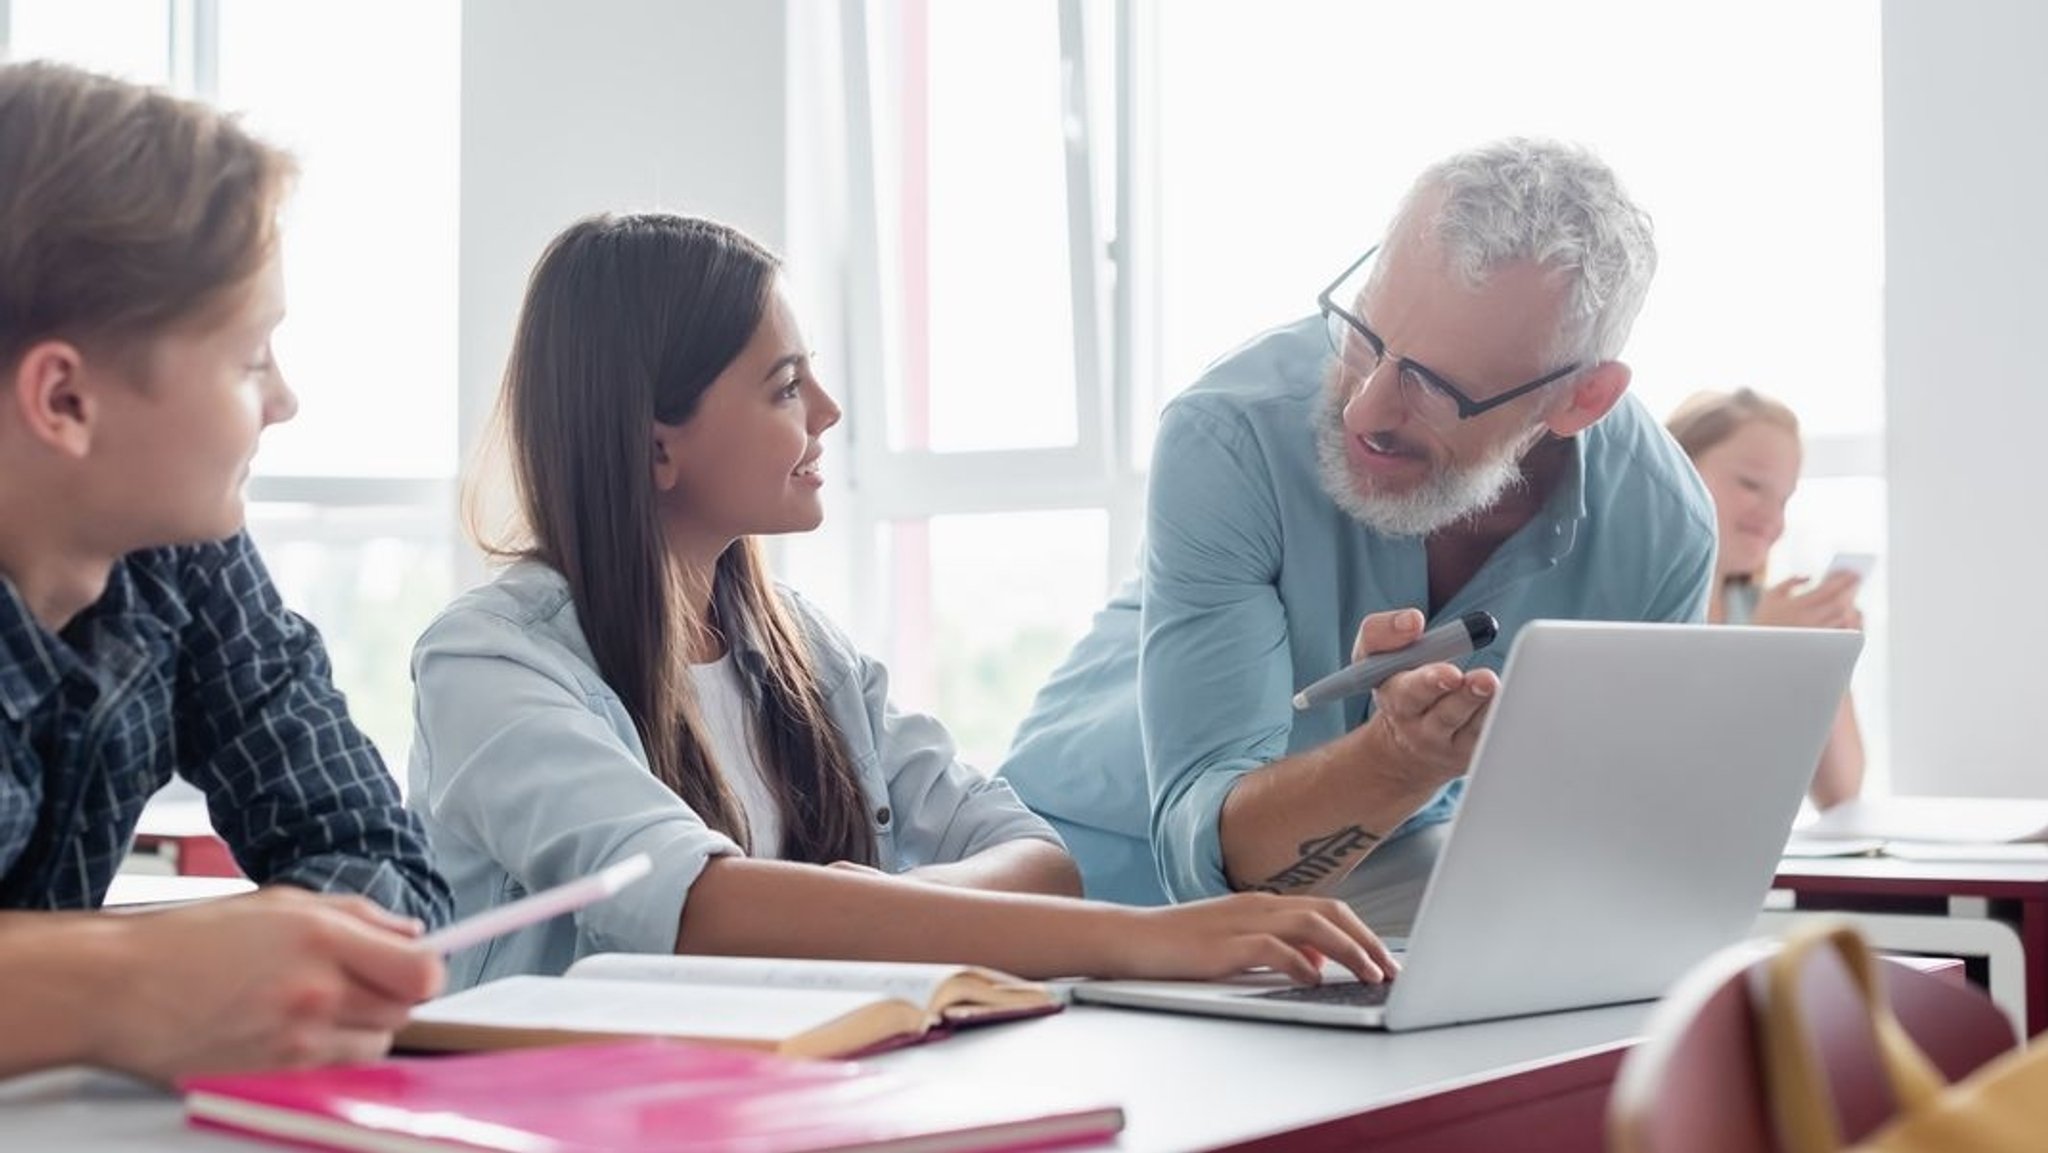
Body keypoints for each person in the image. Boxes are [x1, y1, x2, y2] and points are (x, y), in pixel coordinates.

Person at [408, 212, 1398, 991]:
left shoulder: (807, 653)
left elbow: (1033, 856)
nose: (828, 413)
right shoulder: (490, 667)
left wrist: (882, 909)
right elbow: (692, 902)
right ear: (655, 441)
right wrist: (1145, 940)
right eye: (784, 386)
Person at [998, 138, 1718, 928]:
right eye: (1363, 334)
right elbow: (1203, 873)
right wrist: (1397, 761)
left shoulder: (1663, 529)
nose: (1365, 409)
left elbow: (1600, 851)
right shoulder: (1232, 434)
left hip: (1366, 895)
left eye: (1439, 387)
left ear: (1581, 399)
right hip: (1091, 879)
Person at [0, 62, 451, 1082]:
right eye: (252, 359)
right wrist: (125, 981)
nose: (284, 401)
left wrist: (293, 965)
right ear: (65, 400)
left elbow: (374, 848)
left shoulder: (181, 554)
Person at [1666, 388, 1865, 808]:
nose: (1773, 518)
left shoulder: (1758, 610)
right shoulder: (1642, 605)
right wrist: (1764, 650)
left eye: (1785, 499)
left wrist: (1829, 663)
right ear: (1674, 465)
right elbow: (1675, 768)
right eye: (1751, 485)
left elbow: (1841, 793)